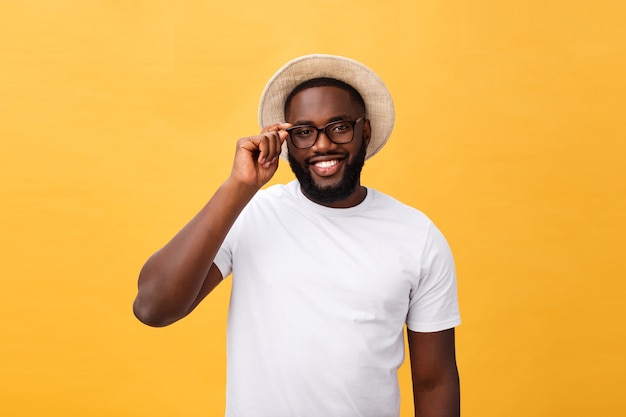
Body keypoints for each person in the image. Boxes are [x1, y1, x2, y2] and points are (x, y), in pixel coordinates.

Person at [133, 54, 461, 417]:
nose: (322, 145)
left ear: (364, 132)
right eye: (304, 132)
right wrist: (238, 187)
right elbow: (153, 307)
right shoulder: (250, 214)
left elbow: (435, 381)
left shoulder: (417, 236)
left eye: (339, 127)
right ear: (286, 141)